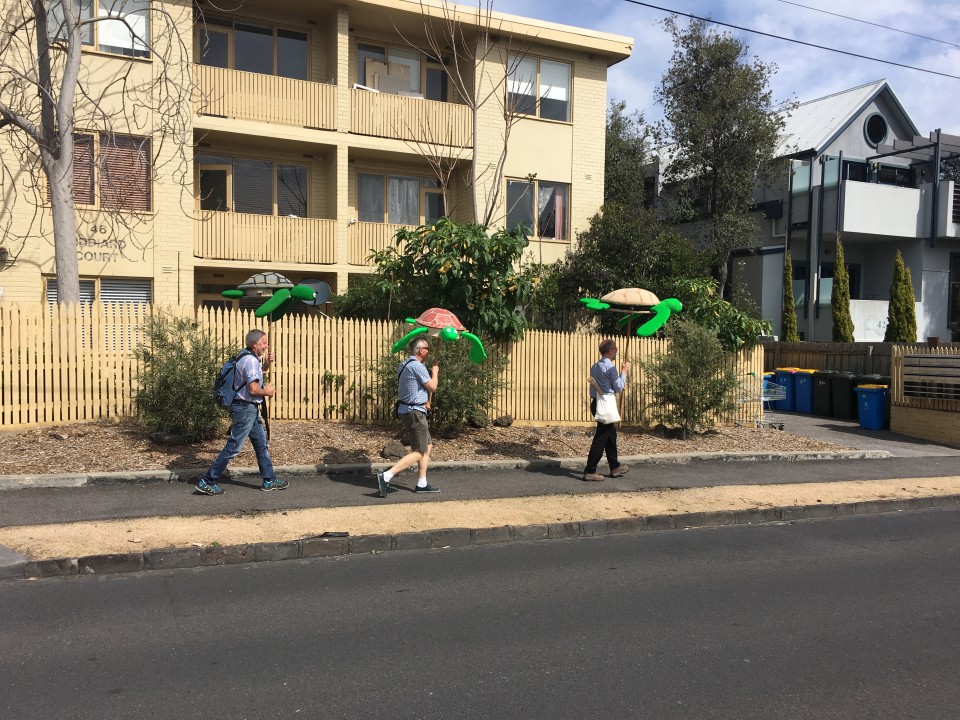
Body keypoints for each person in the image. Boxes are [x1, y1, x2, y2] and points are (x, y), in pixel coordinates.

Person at [197, 329, 289, 495]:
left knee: (261, 445)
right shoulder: (251, 361)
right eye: (264, 343)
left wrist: (267, 364)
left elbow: (254, 376)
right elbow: (253, 389)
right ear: (255, 344)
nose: (267, 346)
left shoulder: (245, 356)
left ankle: (269, 480)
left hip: (248, 408)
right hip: (245, 408)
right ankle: (208, 481)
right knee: (234, 447)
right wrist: (267, 392)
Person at [376, 337, 440, 497]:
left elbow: (411, 387)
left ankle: (422, 483)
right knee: (419, 451)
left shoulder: (403, 364)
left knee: (428, 445)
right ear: (420, 350)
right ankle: (387, 476)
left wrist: (424, 400)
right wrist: (435, 372)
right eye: (427, 348)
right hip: (415, 413)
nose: (429, 350)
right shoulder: (418, 366)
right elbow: (432, 387)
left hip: (408, 409)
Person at [583, 339, 630, 482]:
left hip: (596, 403)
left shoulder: (595, 366)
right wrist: (624, 372)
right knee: (601, 437)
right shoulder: (610, 367)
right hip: (605, 405)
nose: (616, 351)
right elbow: (618, 387)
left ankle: (614, 467)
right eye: (615, 349)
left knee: (610, 435)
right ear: (610, 351)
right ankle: (590, 470)